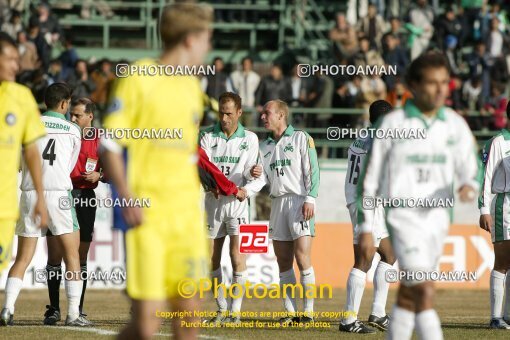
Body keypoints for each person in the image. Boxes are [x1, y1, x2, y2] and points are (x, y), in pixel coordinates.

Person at [100, 3, 213, 339]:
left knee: (189, 315)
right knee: (147, 323)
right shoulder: (138, 78)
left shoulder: (192, 88)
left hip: (187, 218)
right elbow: (109, 144)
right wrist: (126, 197)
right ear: (191, 39)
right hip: (147, 216)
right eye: (208, 38)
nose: (209, 47)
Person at [357, 53, 478, 340]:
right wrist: (364, 226)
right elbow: (369, 178)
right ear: (413, 84)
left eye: (444, 83)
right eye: (431, 83)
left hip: (437, 220)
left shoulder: (454, 123)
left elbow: (471, 166)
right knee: (424, 290)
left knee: (410, 296)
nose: (439, 89)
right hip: (403, 218)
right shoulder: (392, 124)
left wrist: (468, 185)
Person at [1, 82, 84, 326]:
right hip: (59, 193)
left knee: (23, 257)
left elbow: (19, 162)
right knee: (72, 256)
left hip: (29, 192)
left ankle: (7, 309)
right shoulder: (73, 130)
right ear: (64, 103)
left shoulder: (29, 124)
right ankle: (73, 315)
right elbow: (69, 165)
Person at [200, 92, 265, 325]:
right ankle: (221, 308)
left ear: (239, 112)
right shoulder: (207, 136)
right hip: (213, 203)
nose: (224, 118)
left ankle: (235, 313)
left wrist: (250, 179)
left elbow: (252, 172)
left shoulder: (251, 138)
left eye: (229, 113)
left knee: (237, 256)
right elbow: (204, 168)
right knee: (212, 258)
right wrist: (209, 184)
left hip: (238, 205)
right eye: (221, 113)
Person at [255, 100, 320, 324]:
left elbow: (312, 170)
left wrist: (310, 198)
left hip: (299, 201)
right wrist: (255, 173)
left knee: (302, 257)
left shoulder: (302, 137)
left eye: (267, 113)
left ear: (281, 115)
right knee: (283, 261)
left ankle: (308, 313)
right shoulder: (263, 146)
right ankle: (290, 313)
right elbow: (263, 178)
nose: (263, 117)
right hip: (277, 204)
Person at [43, 98, 102, 326]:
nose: (73, 119)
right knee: (55, 256)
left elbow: (113, 165)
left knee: (81, 256)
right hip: (60, 196)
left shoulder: (99, 138)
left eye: (78, 115)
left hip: (85, 197)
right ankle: (54, 309)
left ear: (90, 117)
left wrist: (100, 175)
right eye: (72, 114)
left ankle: (77, 309)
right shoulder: (63, 132)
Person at [340, 100, 395, 334]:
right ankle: (348, 320)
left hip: (368, 202)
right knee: (364, 259)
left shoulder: (361, 137)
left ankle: (378, 313)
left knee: (390, 254)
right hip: (367, 204)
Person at [0, 32, 48, 303]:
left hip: (5, 209)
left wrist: (40, 196)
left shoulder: (21, 96)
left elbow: (31, 149)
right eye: (9, 59)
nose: (16, 66)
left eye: (17, 60)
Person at [479, 101, 510, 329]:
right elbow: (486, 176)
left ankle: (507, 315)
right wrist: (484, 209)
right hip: (504, 205)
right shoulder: (498, 142)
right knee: (502, 262)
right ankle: (495, 317)